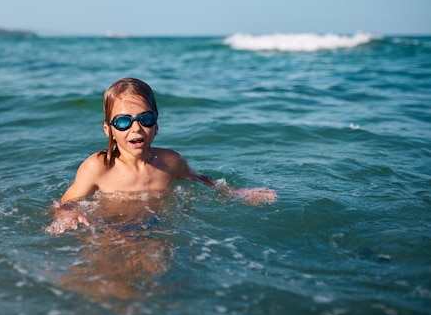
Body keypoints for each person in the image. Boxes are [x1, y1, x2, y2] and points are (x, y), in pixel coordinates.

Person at [47, 78, 277, 235]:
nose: (135, 128)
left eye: (145, 119)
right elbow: (63, 203)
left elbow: (202, 180)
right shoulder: (99, 167)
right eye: (124, 121)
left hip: (156, 225)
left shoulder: (170, 162)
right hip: (110, 226)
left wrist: (238, 193)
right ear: (109, 130)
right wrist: (67, 215)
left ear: (156, 126)